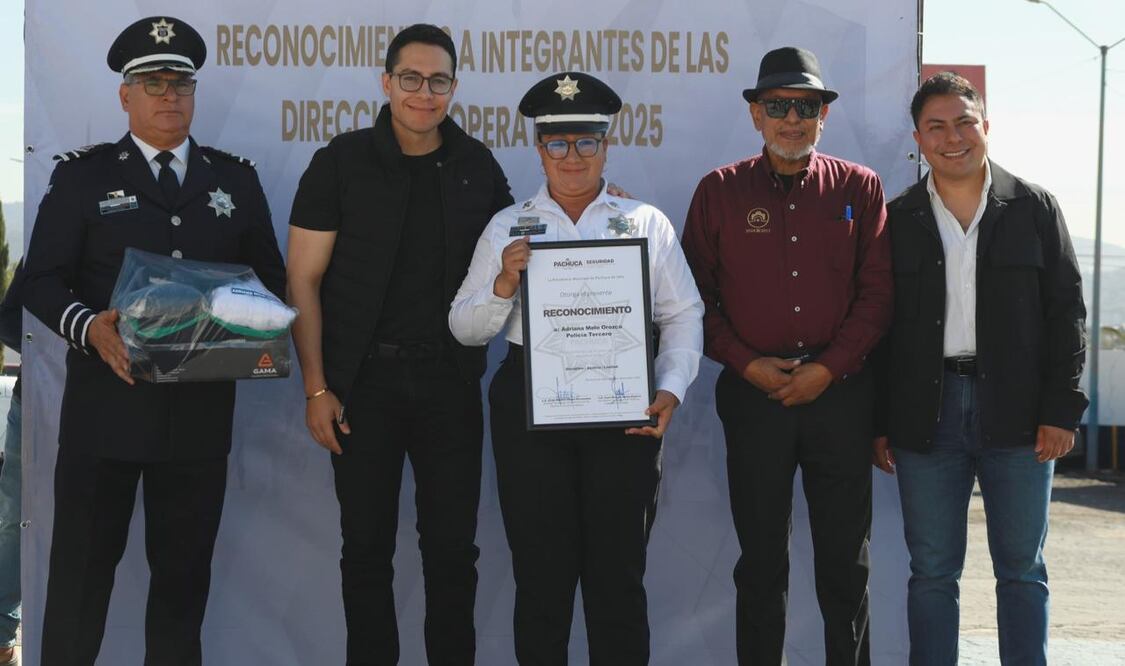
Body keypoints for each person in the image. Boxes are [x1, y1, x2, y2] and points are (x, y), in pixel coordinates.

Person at [22, 17, 286, 665]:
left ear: (193, 93)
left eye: (181, 82)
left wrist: (238, 321)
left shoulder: (236, 181)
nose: (169, 94)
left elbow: (271, 285)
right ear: (125, 96)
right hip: (102, 418)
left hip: (195, 424)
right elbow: (41, 281)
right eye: (153, 81)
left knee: (180, 596)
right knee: (81, 590)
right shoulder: (81, 178)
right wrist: (90, 327)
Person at [449, 70, 704, 665]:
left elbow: (684, 315)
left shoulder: (645, 222)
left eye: (586, 141)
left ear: (606, 146)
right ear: (539, 149)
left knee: (617, 580)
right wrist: (504, 282)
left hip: (625, 409)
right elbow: (465, 327)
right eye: (557, 143)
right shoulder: (506, 225)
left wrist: (670, 388)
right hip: (531, 409)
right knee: (542, 580)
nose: (572, 156)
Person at [286, 23, 513, 665]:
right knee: (364, 552)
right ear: (386, 83)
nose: (423, 92)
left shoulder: (477, 166)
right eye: (410, 78)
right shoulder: (340, 161)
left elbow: (522, 256)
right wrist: (317, 387)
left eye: (437, 80)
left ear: (453, 88)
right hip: (361, 391)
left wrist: (603, 221)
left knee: (452, 556)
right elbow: (301, 278)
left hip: (450, 386)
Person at [681, 47, 892, 665]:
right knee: (761, 562)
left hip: (842, 396)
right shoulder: (719, 191)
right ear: (756, 115)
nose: (792, 119)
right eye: (778, 106)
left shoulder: (861, 187)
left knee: (844, 564)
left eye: (806, 106)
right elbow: (695, 297)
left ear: (823, 115)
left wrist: (829, 368)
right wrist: (746, 363)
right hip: (754, 398)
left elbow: (878, 295)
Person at [872, 72, 1087, 666]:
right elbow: (879, 330)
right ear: (918, 138)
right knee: (933, 573)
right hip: (926, 418)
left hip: (1019, 416)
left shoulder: (1034, 208)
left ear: (986, 127)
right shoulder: (897, 219)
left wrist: (1061, 409)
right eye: (936, 126)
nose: (953, 137)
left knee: (1022, 569)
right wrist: (879, 422)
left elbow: (1067, 312)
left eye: (964, 122)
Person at [0, 261, 25, 666]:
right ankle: (4, 635)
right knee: (15, 516)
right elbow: (8, 321)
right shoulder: (53, 233)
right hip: (39, 395)